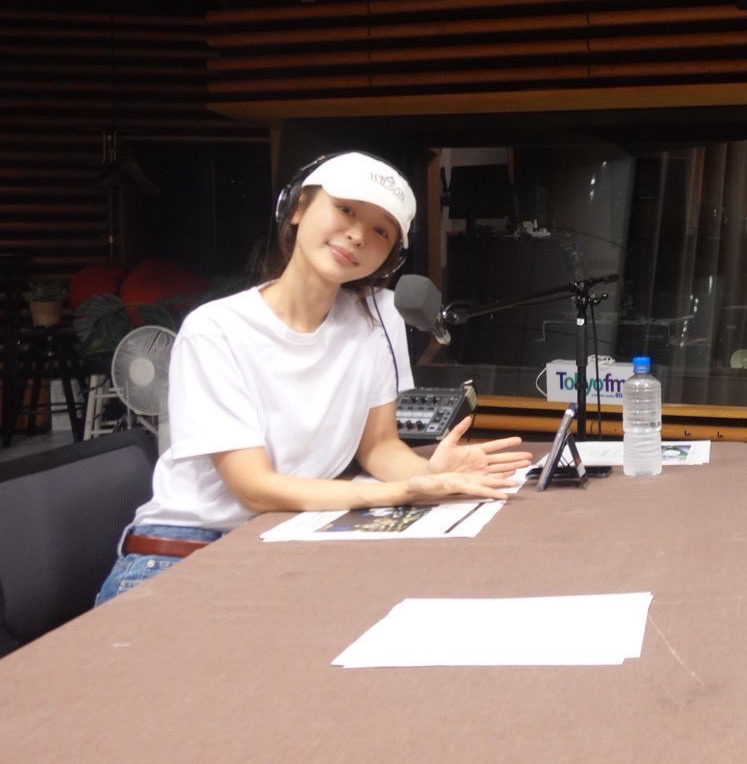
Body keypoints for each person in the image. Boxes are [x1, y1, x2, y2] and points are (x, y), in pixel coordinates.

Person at [97, 152, 531, 603]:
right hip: (183, 554)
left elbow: (378, 446)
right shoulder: (217, 329)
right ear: (298, 208)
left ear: (390, 257)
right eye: (345, 209)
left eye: (381, 231)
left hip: (285, 538)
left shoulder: (375, 322)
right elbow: (255, 489)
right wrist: (402, 491)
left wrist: (431, 474)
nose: (358, 235)